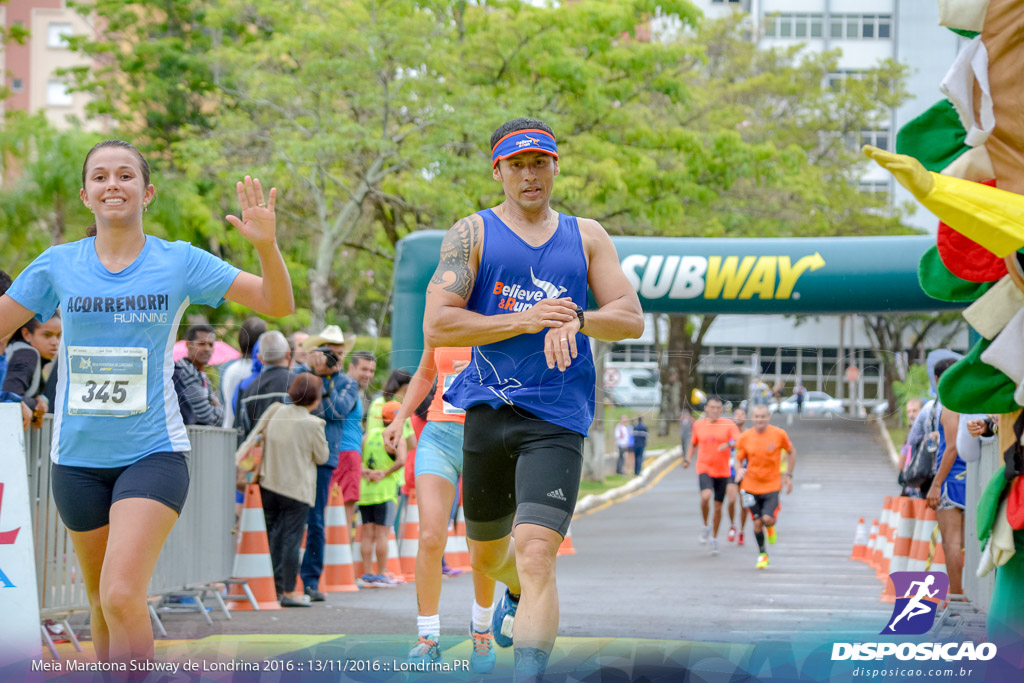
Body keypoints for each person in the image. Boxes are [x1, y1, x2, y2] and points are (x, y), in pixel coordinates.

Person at [0, 139, 292, 665]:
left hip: (152, 452)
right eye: (101, 177)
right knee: (99, 602)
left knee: (120, 594)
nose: (113, 184)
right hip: (76, 460)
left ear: (147, 191)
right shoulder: (57, 265)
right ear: (86, 194)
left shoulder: (177, 261)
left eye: (126, 176)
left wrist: (267, 247)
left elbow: (278, 303)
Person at [423, 117, 644, 678]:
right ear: (498, 171)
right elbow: (439, 326)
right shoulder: (470, 234)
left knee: (538, 551)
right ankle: (513, 592)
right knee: (488, 557)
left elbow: (631, 318)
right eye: (517, 165)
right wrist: (524, 320)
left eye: (539, 163)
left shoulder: (587, 234)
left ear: (555, 167)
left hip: (556, 415)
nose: (529, 175)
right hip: (487, 412)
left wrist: (580, 318)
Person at [384, 346, 498, 672]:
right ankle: (428, 636)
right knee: (431, 537)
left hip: (485, 437)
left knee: (482, 545)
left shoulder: (501, 310)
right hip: (439, 436)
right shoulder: (444, 311)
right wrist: (400, 418)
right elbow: (424, 374)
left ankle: (481, 629)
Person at [236, 373, 328, 607]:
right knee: (291, 540)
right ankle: (288, 590)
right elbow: (322, 456)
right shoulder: (314, 424)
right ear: (315, 398)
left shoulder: (275, 411)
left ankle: (270, 587)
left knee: (270, 537)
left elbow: (253, 438)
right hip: (297, 490)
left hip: (268, 483)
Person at [300, 324, 359, 602]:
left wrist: (324, 380)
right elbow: (298, 405)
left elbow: (336, 412)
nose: (334, 356)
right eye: (328, 352)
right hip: (296, 455)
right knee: (289, 518)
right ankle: (284, 581)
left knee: (316, 520)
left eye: (338, 352)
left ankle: (310, 581)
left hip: (324, 458)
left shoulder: (348, 383)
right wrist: (314, 374)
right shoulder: (301, 375)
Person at [735, 405, 796, 569]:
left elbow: (791, 452)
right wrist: (738, 469)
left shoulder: (778, 434)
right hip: (750, 486)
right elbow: (738, 458)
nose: (760, 419)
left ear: (768, 417)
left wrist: (789, 476)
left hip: (771, 485)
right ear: (752, 418)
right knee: (756, 522)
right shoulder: (745, 437)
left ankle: (770, 527)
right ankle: (763, 554)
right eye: (757, 416)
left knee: (767, 519)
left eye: (763, 416)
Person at [926, 358, 967, 596]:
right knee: (967, 543)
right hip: (971, 478)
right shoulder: (973, 403)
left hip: (951, 481)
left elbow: (951, 448)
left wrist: (936, 483)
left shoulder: (951, 405)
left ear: (940, 379)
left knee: (951, 542)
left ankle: (957, 597)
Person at [682, 397, 740, 555]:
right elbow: (693, 443)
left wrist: (728, 444)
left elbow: (738, 440)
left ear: (721, 410)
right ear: (706, 408)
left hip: (723, 471)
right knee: (705, 496)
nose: (715, 410)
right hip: (704, 467)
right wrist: (687, 459)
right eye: (712, 407)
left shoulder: (728, 424)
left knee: (718, 507)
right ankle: (705, 525)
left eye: (718, 408)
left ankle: (714, 538)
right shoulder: (699, 425)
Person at [358, 400, 407, 587]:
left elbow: (360, 461)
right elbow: (401, 460)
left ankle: (368, 573)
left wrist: (367, 472)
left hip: (366, 491)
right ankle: (380, 573)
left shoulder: (368, 435)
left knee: (367, 534)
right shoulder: (397, 437)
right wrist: (384, 473)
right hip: (385, 491)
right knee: (382, 535)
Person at [329, 350, 378, 534]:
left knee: (336, 506)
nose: (368, 374)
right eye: (364, 369)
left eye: (372, 371)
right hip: (346, 454)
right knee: (345, 510)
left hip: (345, 455)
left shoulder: (350, 389)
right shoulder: (347, 386)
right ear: (352, 367)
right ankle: (341, 555)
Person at [3, 313, 61, 429]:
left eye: (58, 335)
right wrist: (37, 405)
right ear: (26, 334)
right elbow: (10, 401)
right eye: (47, 335)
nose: (55, 342)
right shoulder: (27, 355)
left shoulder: (18, 350)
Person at [234, 330, 292, 440]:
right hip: (292, 454)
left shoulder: (248, 389)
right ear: (288, 354)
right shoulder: (299, 385)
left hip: (258, 455)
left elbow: (241, 432)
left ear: (260, 358)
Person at [219, 316, 267, 429]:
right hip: (246, 430)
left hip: (227, 426)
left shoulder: (228, 367)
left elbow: (223, 399)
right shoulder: (261, 370)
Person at [173, 324, 223, 426]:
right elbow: (206, 416)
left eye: (211, 345)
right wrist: (218, 406)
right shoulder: (185, 371)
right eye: (202, 344)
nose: (207, 349)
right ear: (188, 345)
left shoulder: (200, 374)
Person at [730, 407, 748, 545]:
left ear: (746, 417)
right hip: (730, 472)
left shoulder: (749, 434)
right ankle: (732, 526)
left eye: (742, 414)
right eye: (736, 414)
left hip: (746, 473)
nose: (739, 417)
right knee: (731, 500)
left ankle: (741, 531)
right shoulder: (728, 433)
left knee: (744, 505)